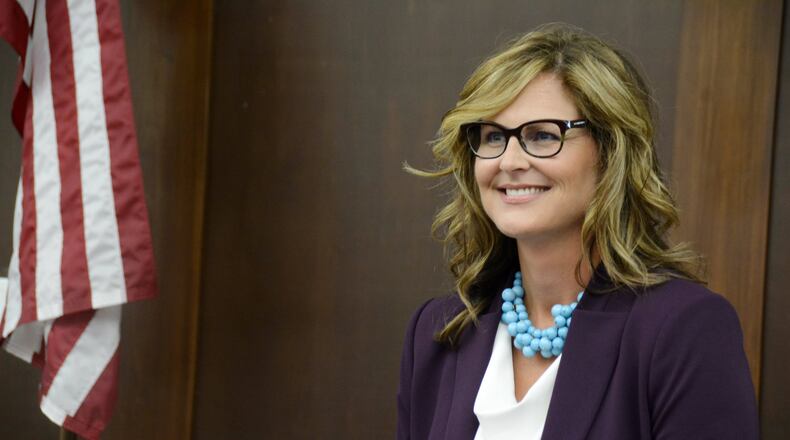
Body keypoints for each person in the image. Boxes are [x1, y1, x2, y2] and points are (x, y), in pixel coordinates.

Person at [398, 24, 758, 440]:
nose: (509, 160)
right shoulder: (439, 332)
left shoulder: (682, 329)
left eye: (543, 135)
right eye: (493, 136)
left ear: (610, 153)